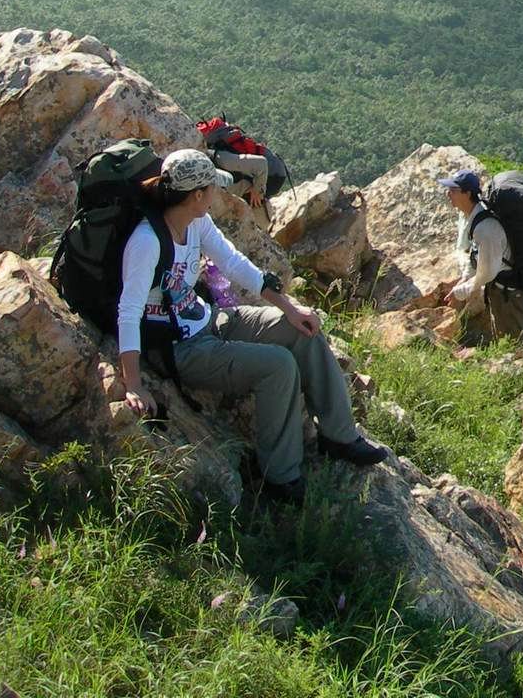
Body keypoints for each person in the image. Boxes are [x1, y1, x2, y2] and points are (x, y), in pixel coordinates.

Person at [118, 149, 386, 506]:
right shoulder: (147, 241)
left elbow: (232, 262)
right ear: (196, 195)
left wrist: (289, 308)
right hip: (180, 348)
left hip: (209, 320)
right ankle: (281, 477)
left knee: (302, 330)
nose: (217, 195)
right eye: (212, 189)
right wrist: (134, 384)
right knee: (278, 366)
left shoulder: (196, 222)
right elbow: (129, 311)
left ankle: (339, 436)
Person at [438, 169, 523, 343]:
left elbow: (487, 273)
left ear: (467, 193)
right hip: (500, 290)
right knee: (506, 342)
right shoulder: (475, 217)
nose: (448, 194)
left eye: (453, 190)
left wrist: (461, 291)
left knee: (516, 345)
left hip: (508, 294)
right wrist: (465, 278)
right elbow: (476, 254)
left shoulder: (486, 228)